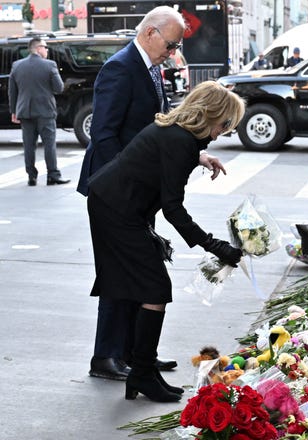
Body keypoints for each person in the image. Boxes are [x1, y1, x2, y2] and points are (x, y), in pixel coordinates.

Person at [77, 6, 225, 382]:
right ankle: (108, 356)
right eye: (172, 43)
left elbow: (160, 128)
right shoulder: (120, 67)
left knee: (137, 272)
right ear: (150, 33)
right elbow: (105, 135)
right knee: (119, 272)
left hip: (136, 190)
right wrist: (120, 182)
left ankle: (136, 353)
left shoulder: (151, 68)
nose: (173, 52)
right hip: (116, 191)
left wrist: (198, 153)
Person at [86, 81, 245, 402]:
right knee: (155, 287)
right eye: (226, 125)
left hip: (117, 203)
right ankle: (142, 372)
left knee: (143, 286)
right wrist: (215, 246)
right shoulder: (180, 141)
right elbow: (173, 208)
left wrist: (199, 158)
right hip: (117, 208)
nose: (223, 133)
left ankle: (140, 367)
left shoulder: (179, 135)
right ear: (211, 115)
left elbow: (165, 156)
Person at [8, 37, 69, 186]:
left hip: (25, 111)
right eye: (46, 48)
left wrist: (14, 111)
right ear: (39, 48)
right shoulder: (49, 65)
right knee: (49, 144)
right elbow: (59, 88)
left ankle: (31, 176)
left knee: (28, 145)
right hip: (45, 111)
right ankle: (52, 175)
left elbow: (12, 91)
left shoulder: (17, 66)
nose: (47, 51)